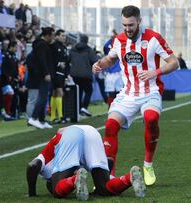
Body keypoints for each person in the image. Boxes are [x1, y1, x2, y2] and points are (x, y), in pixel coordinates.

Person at [92, 5, 179, 186]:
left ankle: (148, 165)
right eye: (124, 25)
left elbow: (174, 62)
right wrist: (99, 64)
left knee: (151, 118)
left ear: (139, 21)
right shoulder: (119, 40)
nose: (127, 29)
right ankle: (109, 175)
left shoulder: (154, 38)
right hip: (128, 93)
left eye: (131, 25)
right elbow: (110, 59)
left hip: (150, 91)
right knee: (110, 126)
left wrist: (155, 72)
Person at [26, 125, 146, 200]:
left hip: (71, 134)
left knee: (57, 192)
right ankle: (129, 178)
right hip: (92, 131)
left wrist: (32, 194)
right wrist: (104, 172)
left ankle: (74, 180)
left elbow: (32, 166)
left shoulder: (47, 169)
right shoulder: (62, 168)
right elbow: (109, 161)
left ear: (50, 180)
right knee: (103, 189)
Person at [27, 27, 55, 129]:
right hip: (43, 75)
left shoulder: (42, 44)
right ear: (47, 35)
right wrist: (46, 73)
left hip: (43, 74)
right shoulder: (42, 45)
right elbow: (42, 60)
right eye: (52, 35)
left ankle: (42, 120)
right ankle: (33, 118)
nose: (53, 37)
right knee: (42, 97)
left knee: (44, 97)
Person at [69, 34, 99, 117]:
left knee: (79, 92)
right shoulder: (89, 50)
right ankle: (84, 107)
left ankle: (78, 110)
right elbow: (95, 61)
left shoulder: (73, 49)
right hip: (86, 74)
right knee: (89, 91)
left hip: (75, 74)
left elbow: (68, 59)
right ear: (87, 40)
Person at [50, 29, 69, 124]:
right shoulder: (53, 46)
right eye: (62, 35)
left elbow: (66, 62)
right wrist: (58, 64)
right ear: (56, 36)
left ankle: (53, 117)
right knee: (59, 93)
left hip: (61, 74)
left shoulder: (64, 48)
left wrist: (67, 75)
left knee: (55, 94)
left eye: (65, 36)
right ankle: (61, 116)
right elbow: (50, 59)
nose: (64, 37)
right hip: (55, 73)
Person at [103, 29, 123, 108]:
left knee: (115, 92)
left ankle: (114, 108)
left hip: (114, 73)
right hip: (113, 73)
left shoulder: (118, 47)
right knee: (115, 92)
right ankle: (114, 108)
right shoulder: (112, 48)